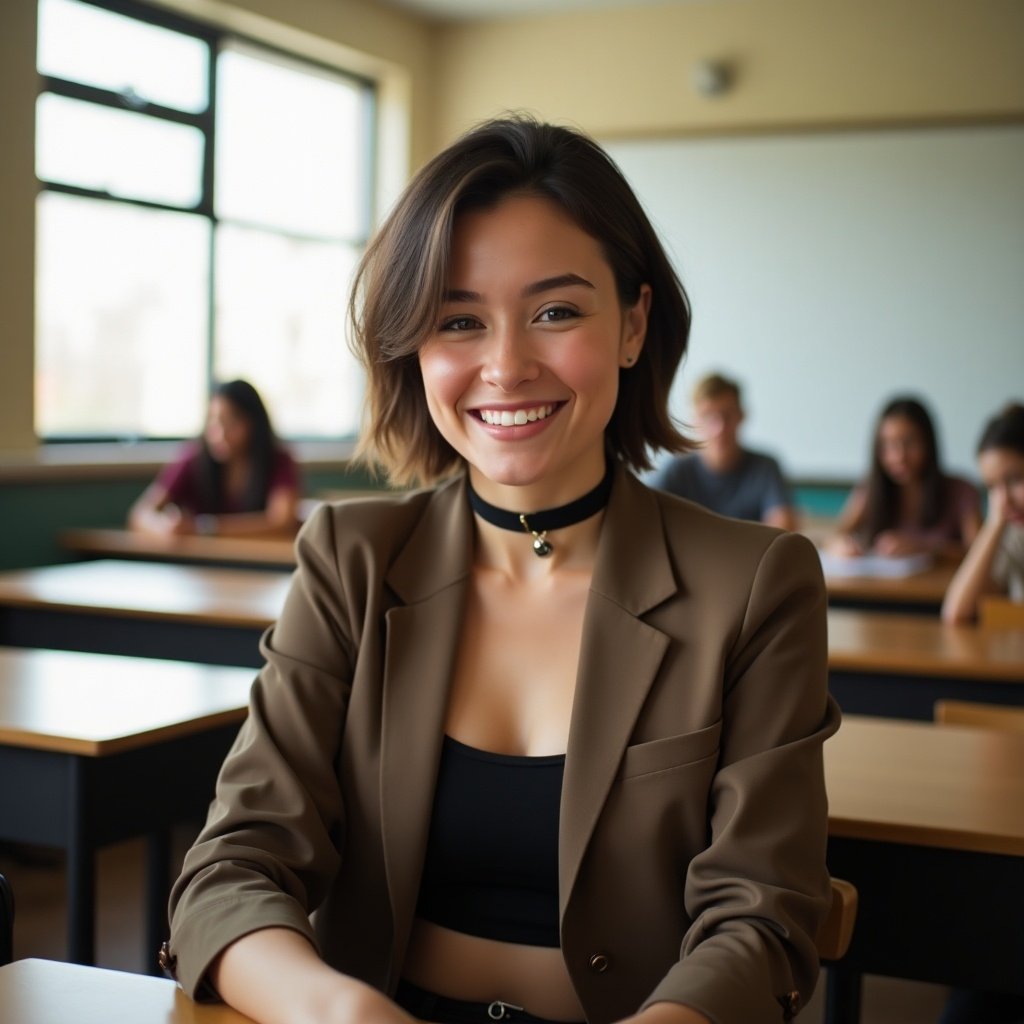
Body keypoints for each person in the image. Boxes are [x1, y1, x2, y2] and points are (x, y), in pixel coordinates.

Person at [164, 117, 839, 1024]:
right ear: (415, 346)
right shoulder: (349, 561)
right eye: (458, 321)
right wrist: (340, 1011)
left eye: (556, 312)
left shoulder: (755, 584)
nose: (506, 366)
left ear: (634, 324)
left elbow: (764, 916)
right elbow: (231, 869)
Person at [128, 379, 301, 538]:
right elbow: (141, 514)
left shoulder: (278, 460)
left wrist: (205, 527)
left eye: (231, 423)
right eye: (214, 422)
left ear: (255, 424)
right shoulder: (194, 458)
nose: (220, 434)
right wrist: (166, 528)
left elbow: (282, 521)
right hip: (198, 566)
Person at [826, 395, 980, 560]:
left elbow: (980, 553)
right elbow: (834, 536)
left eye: (910, 442)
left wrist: (925, 547)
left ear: (928, 443)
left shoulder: (961, 491)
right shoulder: (870, 490)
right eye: (888, 445)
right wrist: (840, 545)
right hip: (880, 585)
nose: (899, 456)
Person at [646, 372, 798, 530]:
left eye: (727, 415)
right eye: (708, 417)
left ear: (741, 416)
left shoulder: (765, 468)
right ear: (694, 421)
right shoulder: (677, 470)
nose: (719, 428)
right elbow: (643, 515)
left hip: (748, 555)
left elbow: (783, 526)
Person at [942, 402, 1024, 624]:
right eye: (992, 486)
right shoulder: (1016, 536)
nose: (1003, 500)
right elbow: (957, 612)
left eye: (1015, 479)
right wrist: (994, 524)